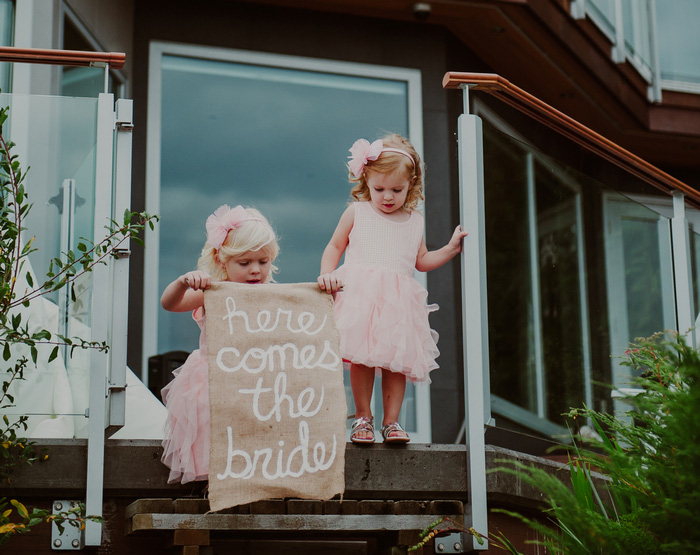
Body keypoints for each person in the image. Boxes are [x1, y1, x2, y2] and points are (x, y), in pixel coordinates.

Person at [317, 135, 467, 445]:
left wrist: (451, 249)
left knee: (394, 362)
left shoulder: (414, 221)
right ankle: (362, 418)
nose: (387, 197)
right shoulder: (356, 213)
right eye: (379, 189)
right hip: (360, 297)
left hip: (397, 305)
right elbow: (334, 246)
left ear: (411, 185)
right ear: (366, 181)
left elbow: (421, 260)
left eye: (396, 190)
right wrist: (326, 275)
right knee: (362, 359)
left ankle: (391, 421)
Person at [160, 204, 279, 484]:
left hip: (256, 378)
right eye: (245, 263)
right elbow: (170, 303)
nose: (255, 270)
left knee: (255, 434)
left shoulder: (272, 295)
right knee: (215, 431)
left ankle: (254, 485)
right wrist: (182, 282)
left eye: (263, 262)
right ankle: (215, 489)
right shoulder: (210, 292)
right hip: (215, 378)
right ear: (222, 260)